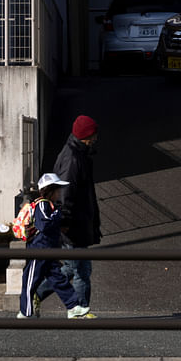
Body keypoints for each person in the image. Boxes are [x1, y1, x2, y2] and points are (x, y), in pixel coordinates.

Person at [17, 172, 93, 320]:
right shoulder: (42, 204)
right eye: (57, 190)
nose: (59, 193)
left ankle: (73, 307)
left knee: (58, 279)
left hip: (47, 250)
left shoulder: (49, 205)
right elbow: (44, 225)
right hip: (39, 250)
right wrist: (58, 214)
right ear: (49, 190)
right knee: (30, 281)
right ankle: (25, 313)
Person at [48, 114, 101, 312]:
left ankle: (35, 294)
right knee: (81, 271)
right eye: (93, 135)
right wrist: (66, 219)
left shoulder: (78, 153)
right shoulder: (73, 158)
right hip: (73, 224)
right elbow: (65, 193)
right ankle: (80, 309)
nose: (95, 138)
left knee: (72, 268)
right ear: (85, 136)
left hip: (75, 222)